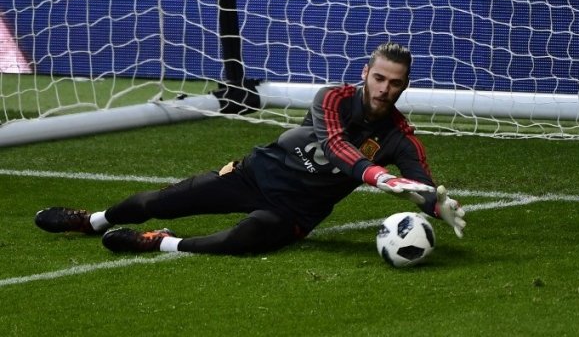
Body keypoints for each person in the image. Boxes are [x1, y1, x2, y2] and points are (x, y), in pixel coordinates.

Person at [34, 42, 466, 255]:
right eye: (379, 78)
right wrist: (381, 177)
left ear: (403, 86)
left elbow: (420, 182)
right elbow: (337, 148)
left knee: (245, 239)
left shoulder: (399, 136)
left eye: (395, 83)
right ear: (365, 73)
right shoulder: (331, 99)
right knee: (159, 199)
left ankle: (161, 243)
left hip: (294, 213)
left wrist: (433, 204)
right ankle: (91, 221)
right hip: (253, 174)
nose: (385, 89)